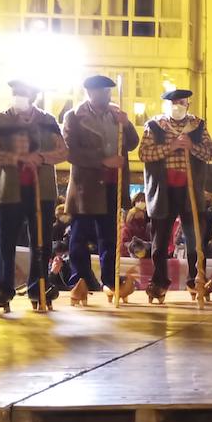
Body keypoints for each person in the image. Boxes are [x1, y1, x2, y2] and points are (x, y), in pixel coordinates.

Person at [0, 80, 68, 312]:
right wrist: (19, 159)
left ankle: (38, 286)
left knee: (40, 243)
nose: (17, 96)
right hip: (9, 190)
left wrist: (40, 157)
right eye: (14, 93)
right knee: (6, 242)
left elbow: (63, 150)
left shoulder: (47, 120)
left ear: (33, 96)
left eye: (22, 93)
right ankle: (4, 290)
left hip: (42, 190)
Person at [61, 75, 140, 304]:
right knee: (79, 236)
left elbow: (132, 142)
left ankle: (110, 279)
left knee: (109, 238)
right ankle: (80, 280)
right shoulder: (74, 117)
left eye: (107, 93)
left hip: (112, 185)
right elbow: (70, 151)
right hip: (86, 187)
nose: (104, 97)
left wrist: (126, 124)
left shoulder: (116, 114)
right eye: (99, 93)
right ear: (89, 93)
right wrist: (103, 160)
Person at [139, 89, 212, 302]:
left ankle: (196, 279)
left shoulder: (198, 126)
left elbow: (210, 152)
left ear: (188, 104)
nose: (178, 105)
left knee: (195, 239)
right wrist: (171, 146)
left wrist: (191, 146)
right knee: (160, 240)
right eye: (173, 102)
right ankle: (159, 282)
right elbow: (144, 153)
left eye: (181, 102)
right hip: (163, 191)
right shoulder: (154, 125)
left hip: (190, 189)